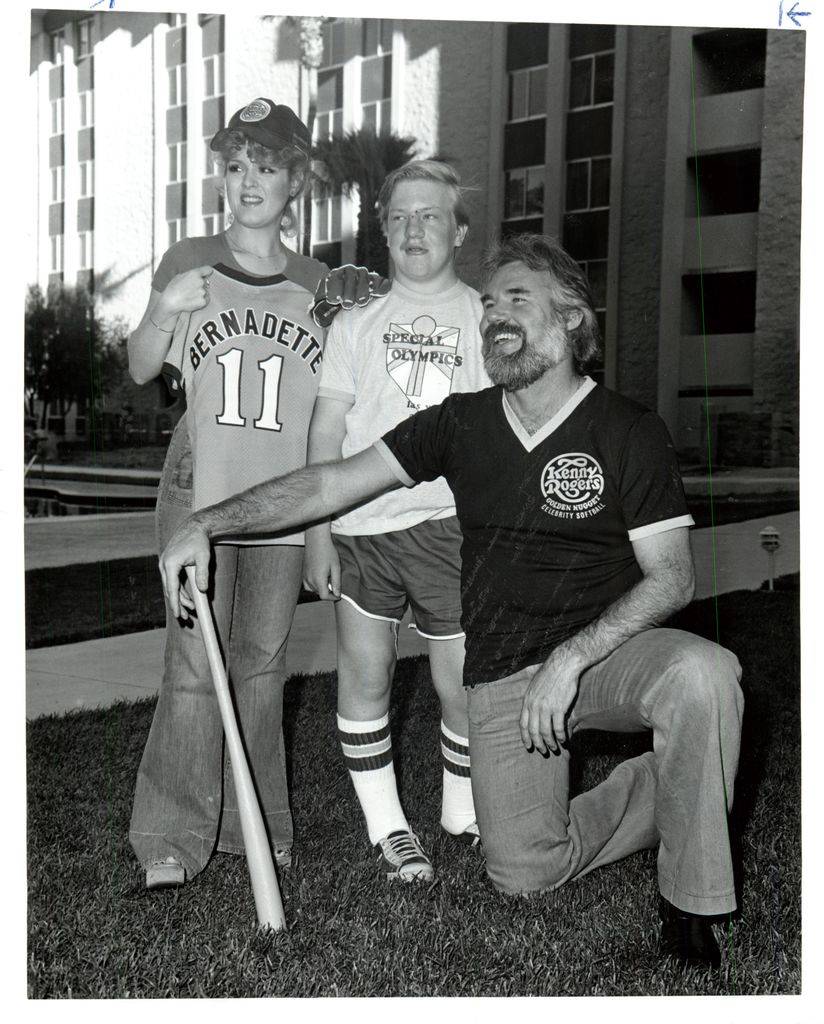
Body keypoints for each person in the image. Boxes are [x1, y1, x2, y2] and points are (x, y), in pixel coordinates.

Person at [158, 233, 744, 968]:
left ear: (570, 320)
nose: (496, 313)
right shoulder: (460, 423)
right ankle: (675, 785)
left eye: (518, 300)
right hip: (503, 672)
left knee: (705, 675)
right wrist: (205, 523)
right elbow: (330, 485)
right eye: (489, 302)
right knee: (524, 873)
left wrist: (572, 658)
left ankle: (690, 907)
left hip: (611, 651)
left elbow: (672, 578)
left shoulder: (629, 430)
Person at [128, 98, 377, 890]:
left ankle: (253, 828)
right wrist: (163, 311)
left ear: (297, 179)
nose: (247, 181)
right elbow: (140, 370)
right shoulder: (188, 260)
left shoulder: (322, 286)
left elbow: (330, 419)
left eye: (266, 166)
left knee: (261, 668)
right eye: (235, 165)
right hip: (196, 490)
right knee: (195, 668)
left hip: (278, 503)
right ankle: (170, 837)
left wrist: (319, 533)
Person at [303, 160, 490, 881]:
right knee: (367, 672)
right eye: (401, 217)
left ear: (459, 230)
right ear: (384, 228)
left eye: (432, 215)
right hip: (362, 527)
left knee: (462, 680)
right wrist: (318, 528)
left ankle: (460, 808)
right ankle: (387, 827)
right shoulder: (356, 323)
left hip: (448, 524)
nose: (415, 229)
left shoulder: (482, 316)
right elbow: (326, 431)